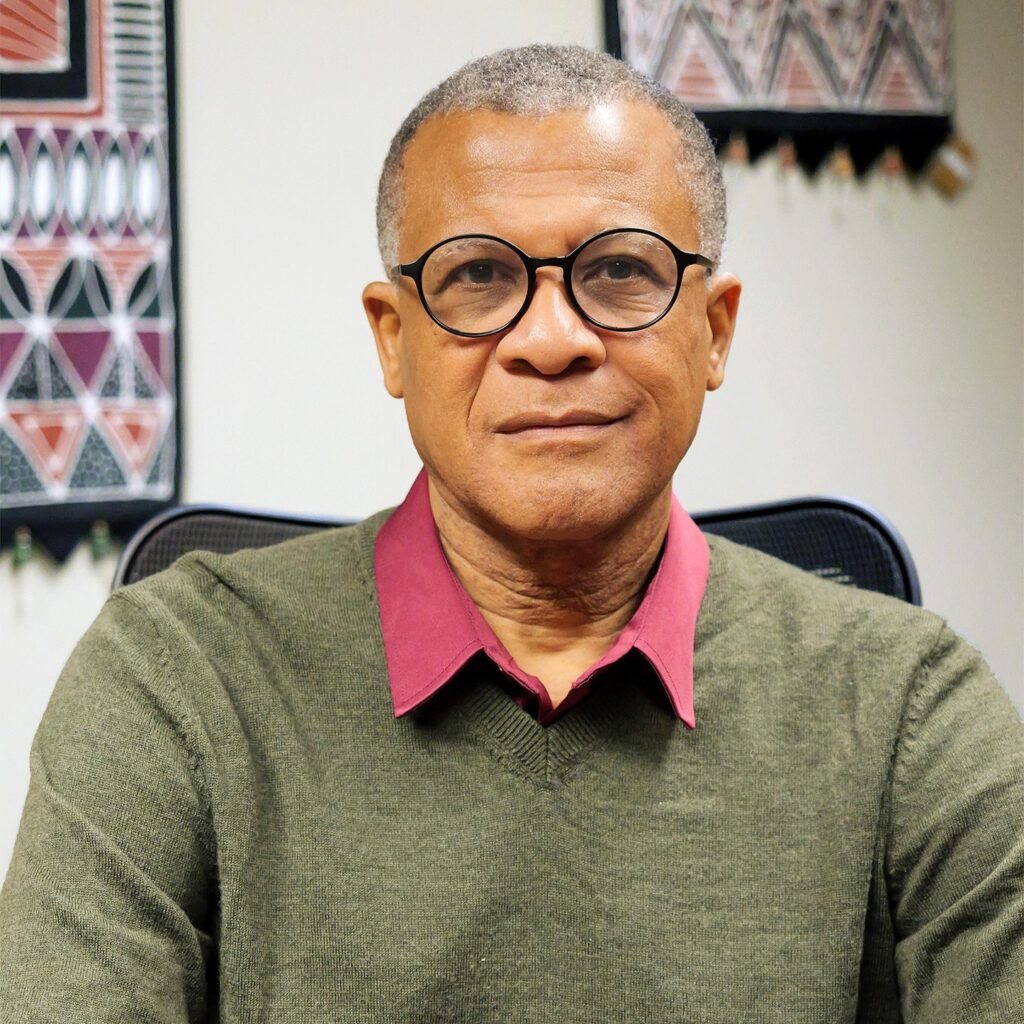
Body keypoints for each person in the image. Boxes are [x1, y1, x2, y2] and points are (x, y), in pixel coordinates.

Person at [1, 44, 1021, 1023]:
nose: (550, 339)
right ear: (393, 339)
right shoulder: (172, 678)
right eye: (479, 277)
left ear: (713, 330)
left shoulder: (908, 709)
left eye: (621, 270)